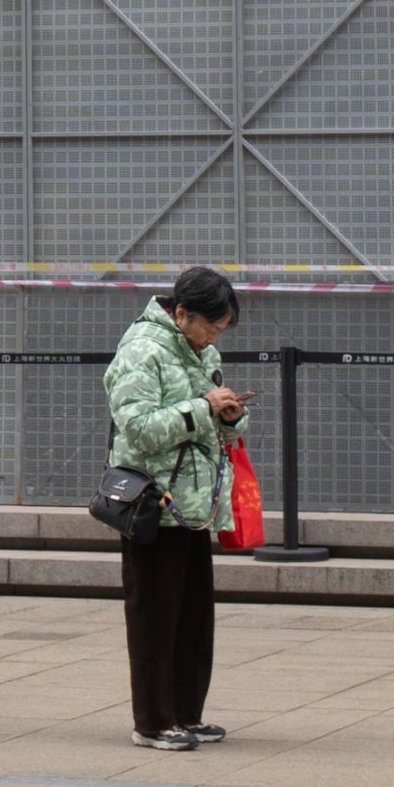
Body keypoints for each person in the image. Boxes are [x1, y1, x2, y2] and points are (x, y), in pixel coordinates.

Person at [102, 264, 248, 751]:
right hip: (153, 504)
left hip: (195, 506)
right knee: (155, 618)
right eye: (210, 326)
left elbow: (207, 423)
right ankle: (152, 721)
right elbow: (138, 428)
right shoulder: (142, 349)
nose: (214, 338)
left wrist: (229, 417)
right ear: (181, 313)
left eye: (222, 330)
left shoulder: (197, 349)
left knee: (192, 618)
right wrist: (203, 409)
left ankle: (186, 713)